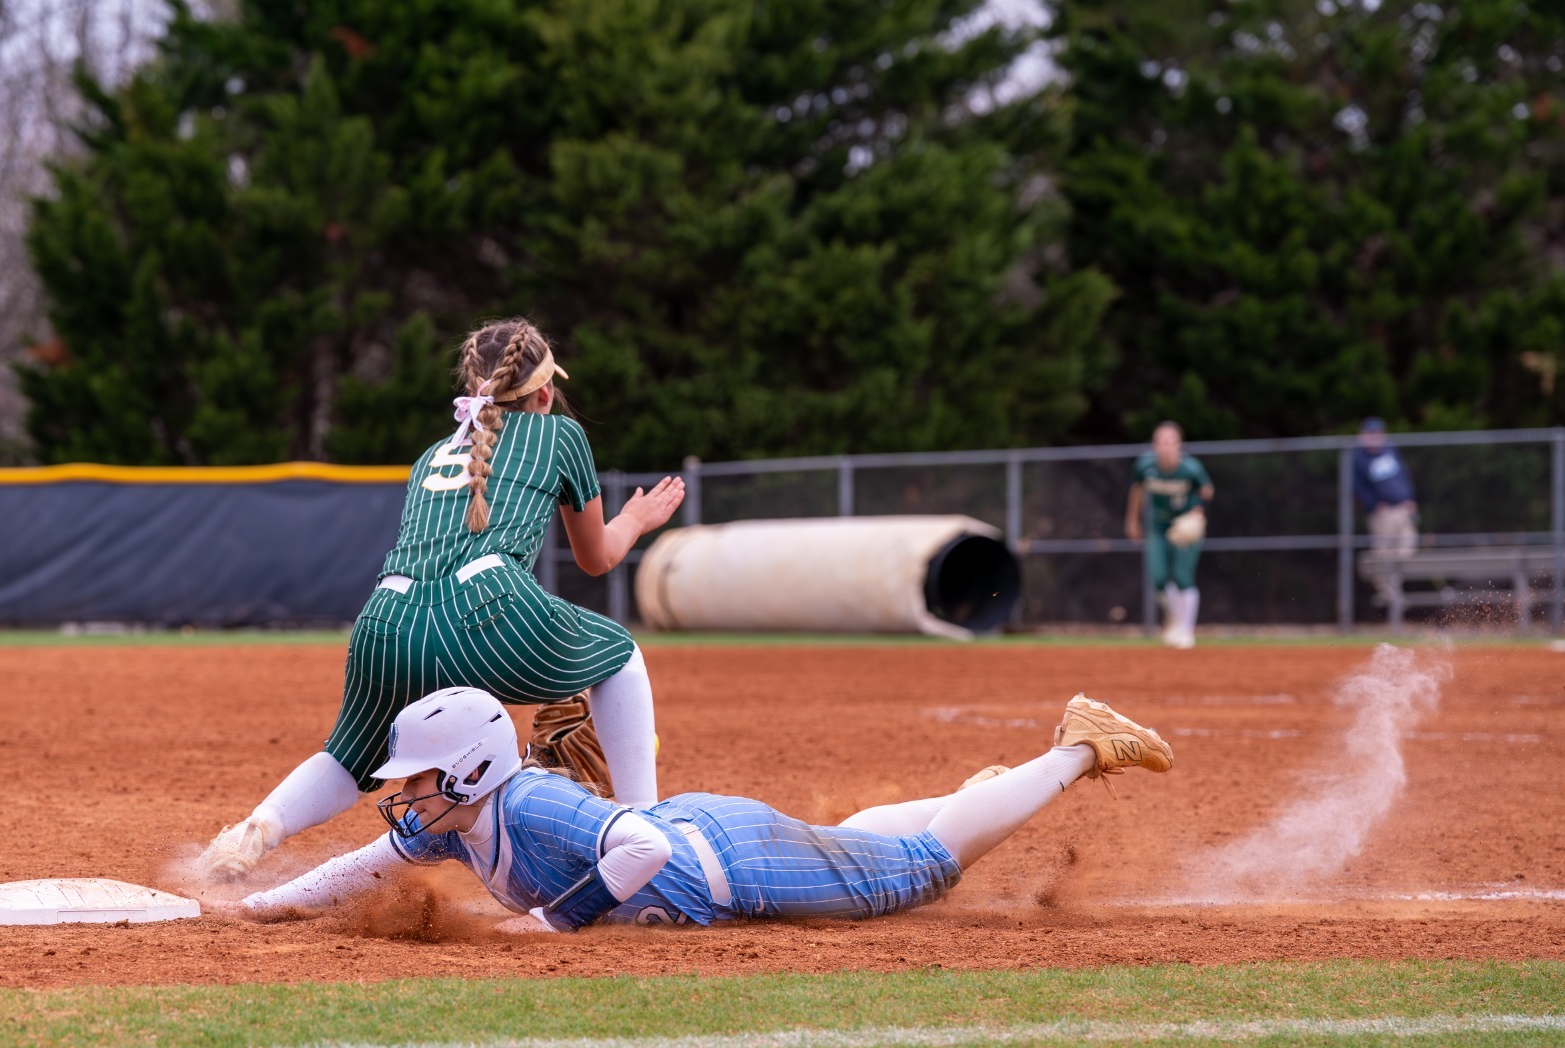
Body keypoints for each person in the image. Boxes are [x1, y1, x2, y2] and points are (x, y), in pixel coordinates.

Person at [196, 319, 685, 882]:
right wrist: (636, 518)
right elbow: (595, 558)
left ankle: (252, 833)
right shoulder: (561, 435)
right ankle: (648, 829)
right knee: (620, 657)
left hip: (385, 619)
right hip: (490, 609)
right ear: (546, 391)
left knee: (348, 759)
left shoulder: (432, 454)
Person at [235, 687, 1174, 931]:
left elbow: (636, 845)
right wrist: (268, 906)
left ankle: (1077, 745)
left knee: (919, 876)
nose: (402, 793)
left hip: (732, 866)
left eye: (417, 778)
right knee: (858, 844)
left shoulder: (531, 810)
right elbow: (368, 865)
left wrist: (563, 921)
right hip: (717, 837)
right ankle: (976, 799)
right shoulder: (465, 817)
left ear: (474, 772)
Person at [1125, 421, 1214, 649]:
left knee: (1183, 577)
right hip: (1158, 526)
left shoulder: (1191, 468)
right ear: (1154, 445)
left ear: (1179, 444)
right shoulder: (1145, 466)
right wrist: (1132, 520)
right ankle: (1175, 621)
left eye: (1170, 441)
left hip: (1185, 528)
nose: (1165, 447)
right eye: (1161, 442)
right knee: (1158, 579)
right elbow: (1136, 490)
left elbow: (1206, 491)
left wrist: (1197, 513)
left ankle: (1186, 630)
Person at [1351, 417, 1418, 557]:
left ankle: (1399, 579)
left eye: (1378, 432)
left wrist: (1409, 498)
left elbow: (1403, 476)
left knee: (1407, 549)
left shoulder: (1390, 450)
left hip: (1402, 508)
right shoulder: (1358, 458)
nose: (1375, 436)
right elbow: (1358, 487)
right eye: (1370, 432)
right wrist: (1374, 504)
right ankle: (1387, 580)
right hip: (1382, 513)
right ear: (1362, 435)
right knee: (1384, 554)